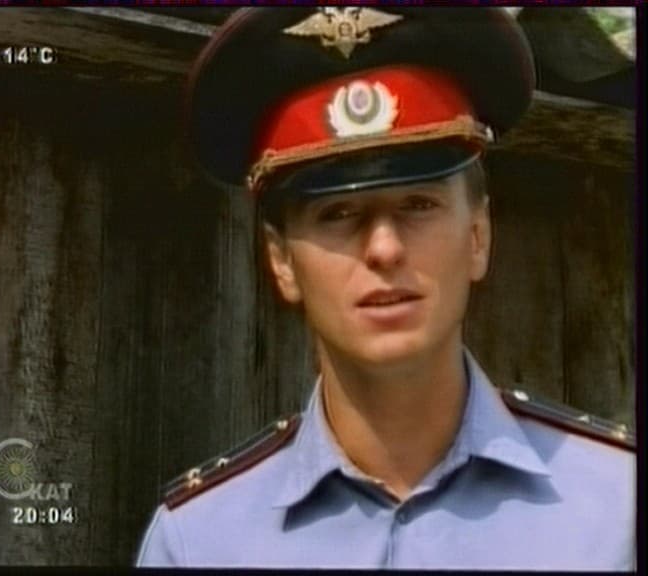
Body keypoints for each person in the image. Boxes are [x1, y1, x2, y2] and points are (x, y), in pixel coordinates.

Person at [136, 7, 635, 570]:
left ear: (478, 236)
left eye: (418, 205)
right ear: (282, 261)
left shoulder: (618, 513)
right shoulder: (199, 544)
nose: (385, 249)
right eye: (338, 213)